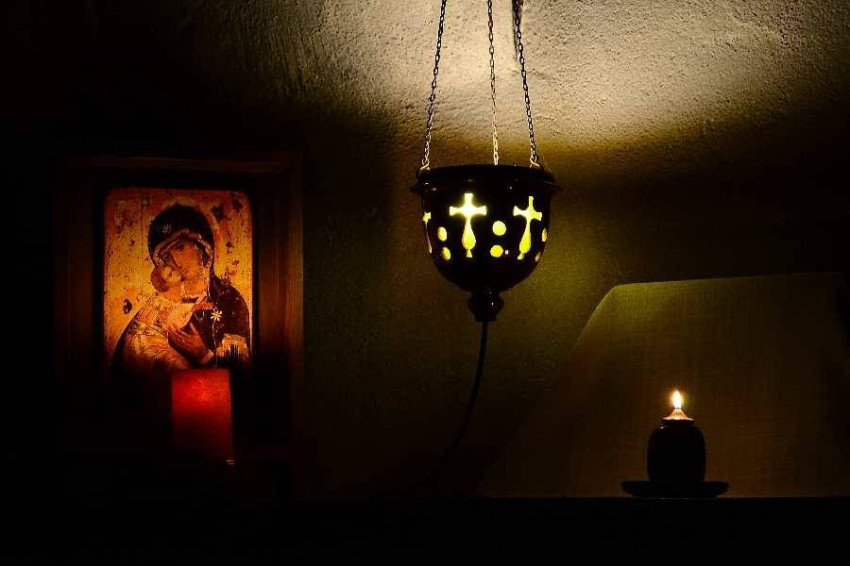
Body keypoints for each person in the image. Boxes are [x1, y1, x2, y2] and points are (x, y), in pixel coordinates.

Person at [110, 204, 250, 451]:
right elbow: (127, 363)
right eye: (166, 256)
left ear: (201, 246)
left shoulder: (228, 300)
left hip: (212, 434)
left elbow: (240, 377)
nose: (175, 261)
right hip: (158, 429)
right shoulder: (159, 304)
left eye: (180, 247)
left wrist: (203, 355)